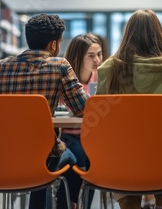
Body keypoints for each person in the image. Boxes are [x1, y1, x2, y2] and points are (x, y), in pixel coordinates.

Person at [0, 13, 88, 209]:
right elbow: (82, 108)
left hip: (5, 152)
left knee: (45, 160)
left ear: (27, 39)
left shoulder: (2, 66)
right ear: (53, 45)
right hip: (44, 153)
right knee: (69, 159)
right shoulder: (60, 65)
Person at [96, 9, 162, 209]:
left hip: (121, 157)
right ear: (160, 35)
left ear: (127, 34)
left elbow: (101, 121)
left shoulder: (108, 69)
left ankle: (129, 202)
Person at [61, 33, 103, 208]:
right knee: (80, 156)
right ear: (78, 57)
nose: (98, 60)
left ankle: (79, 203)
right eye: (91, 56)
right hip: (68, 136)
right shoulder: (65, 78)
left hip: (93, 136)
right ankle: (75, 202)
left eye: (99, 54)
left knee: (94, 158)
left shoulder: (100, 78)